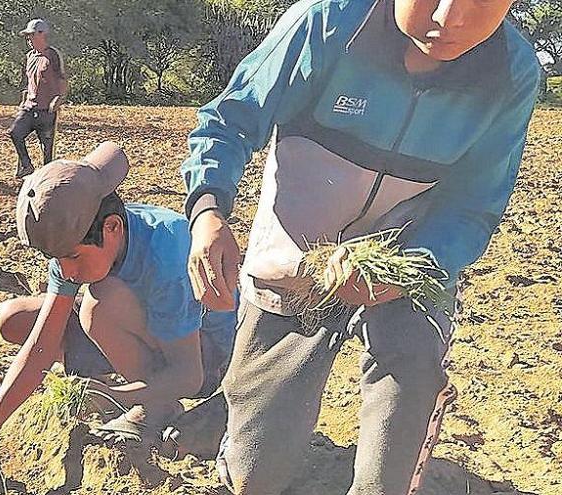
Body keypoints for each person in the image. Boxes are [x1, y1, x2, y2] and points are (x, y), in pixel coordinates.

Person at [180, 0, 541, 494]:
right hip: (299, 249)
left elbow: (473, 204)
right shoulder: (328, 22)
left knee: (409, 384)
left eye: (479, 1)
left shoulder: (511, 73)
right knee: (256, 471)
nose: (448, 18)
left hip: (409, 257)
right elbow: (230, 119)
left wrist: (415, 266)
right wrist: (207, 212)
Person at [0, 142, 236, 473]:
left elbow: (189, 375)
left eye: (73, 257)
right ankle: (141, 384)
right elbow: (41, 345)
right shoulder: (77, 238)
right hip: (144, 327)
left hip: (207, 355)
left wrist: (116, 394)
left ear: (112, 228)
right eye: (58, 261)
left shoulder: (166, 252)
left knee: (99, 305)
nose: (67, 271)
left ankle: (158, 407)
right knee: (15, 319)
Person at [9, 18, 68, 179]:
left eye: (31, 35)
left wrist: (59, 98)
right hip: (29, 107)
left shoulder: (53, 55)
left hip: (46, 110)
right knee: (15, 133)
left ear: (42, 34)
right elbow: (27, 82)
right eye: (27, 36)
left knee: (47, 150)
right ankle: (26, 166)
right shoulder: (29, 56)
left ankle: (47, 181)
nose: (28, 39)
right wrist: (23, 101)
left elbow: (62, 79)